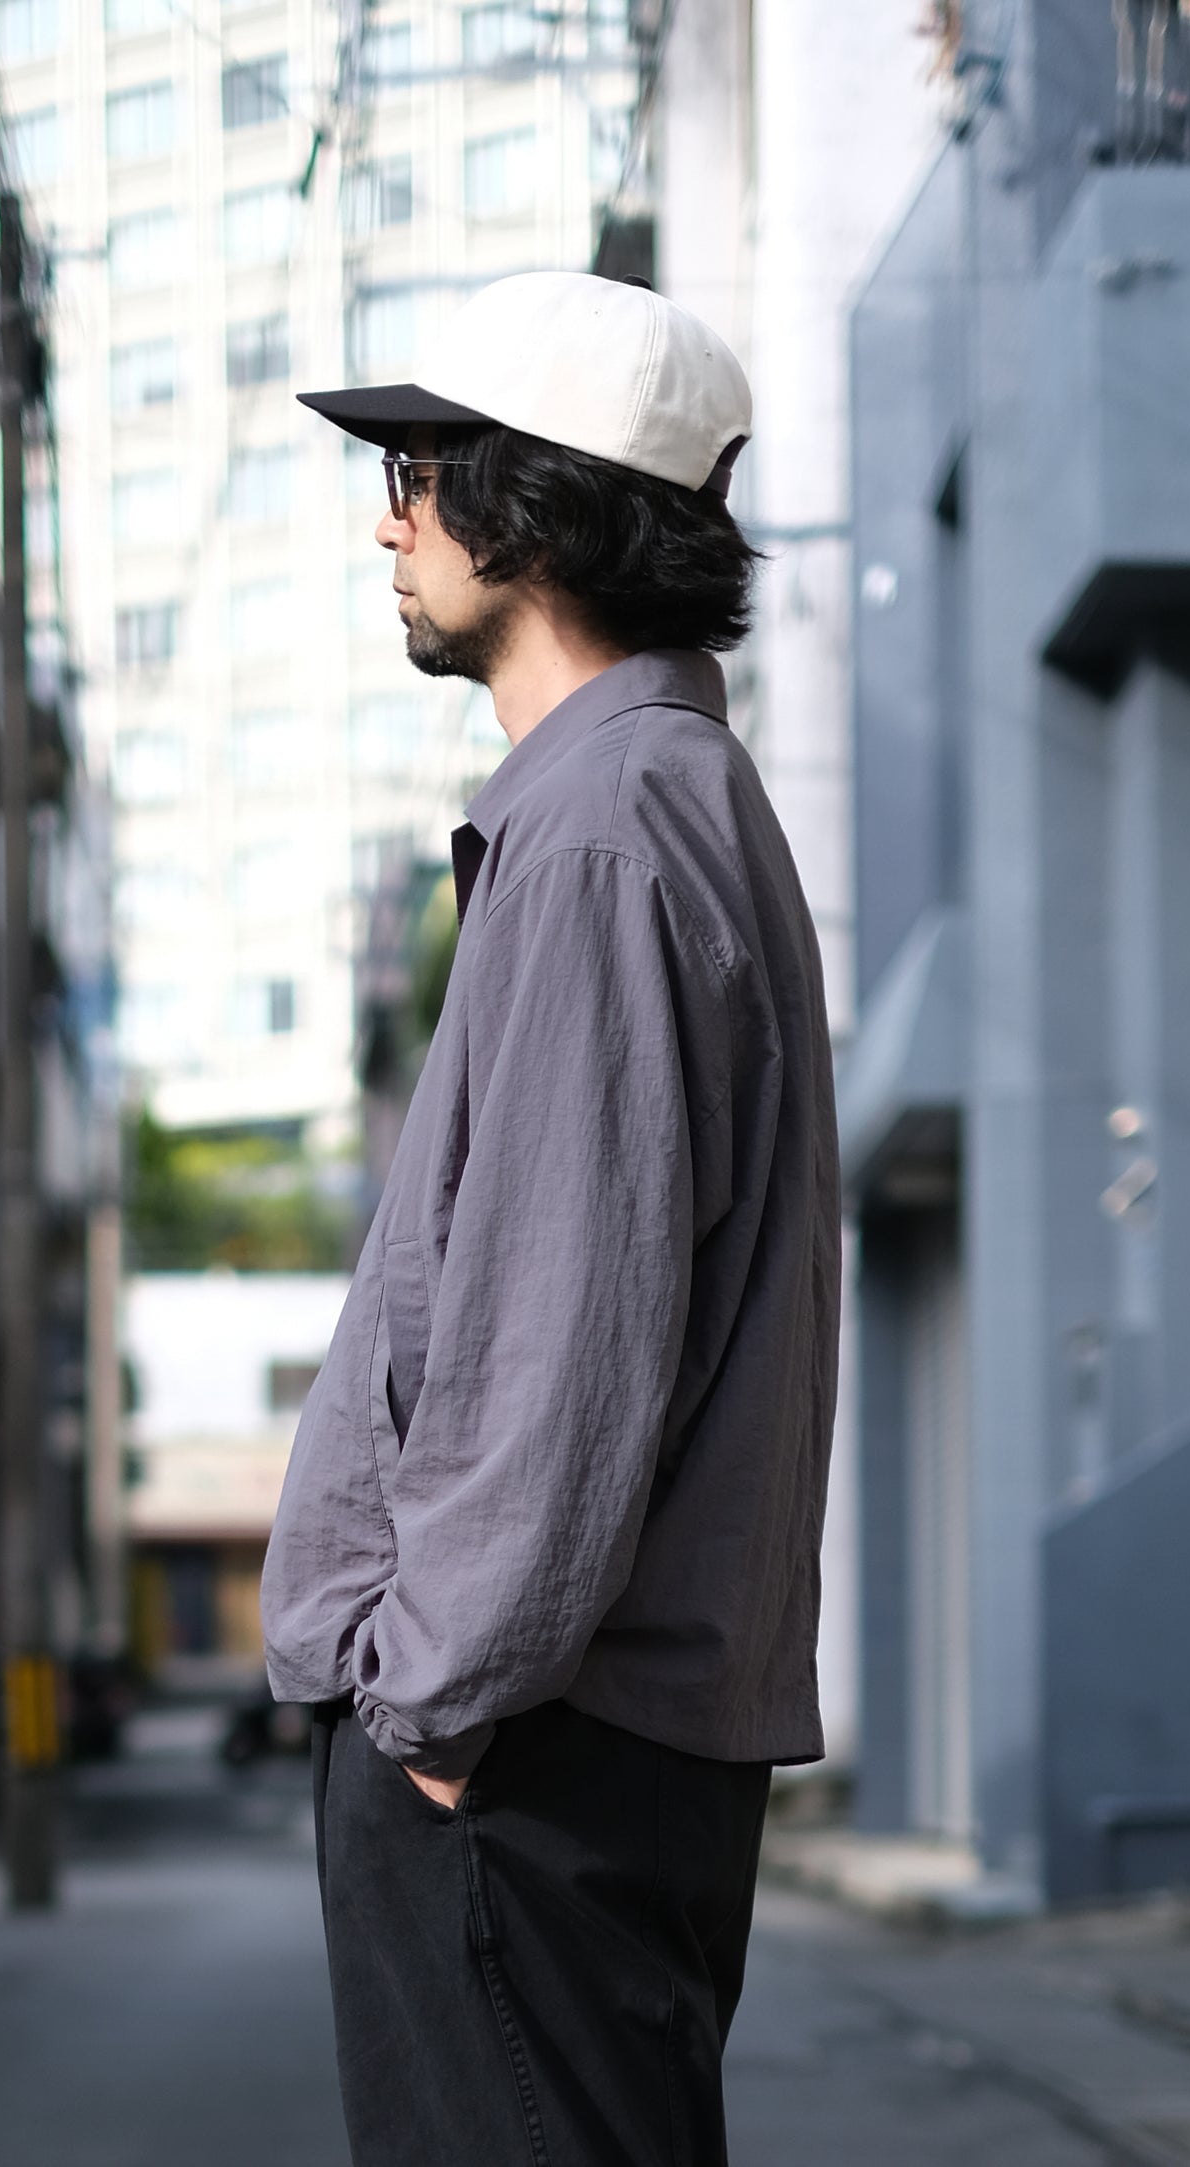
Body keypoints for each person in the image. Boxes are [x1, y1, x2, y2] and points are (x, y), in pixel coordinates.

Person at [261, 270, 841, 2167]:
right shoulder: (654, 803)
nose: (390, 525)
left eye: (417, 475)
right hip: (568, 1751)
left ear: (532, 503)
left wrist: (430, 1708)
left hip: (524, 1761)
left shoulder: (601, 835)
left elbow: (557, 1341)